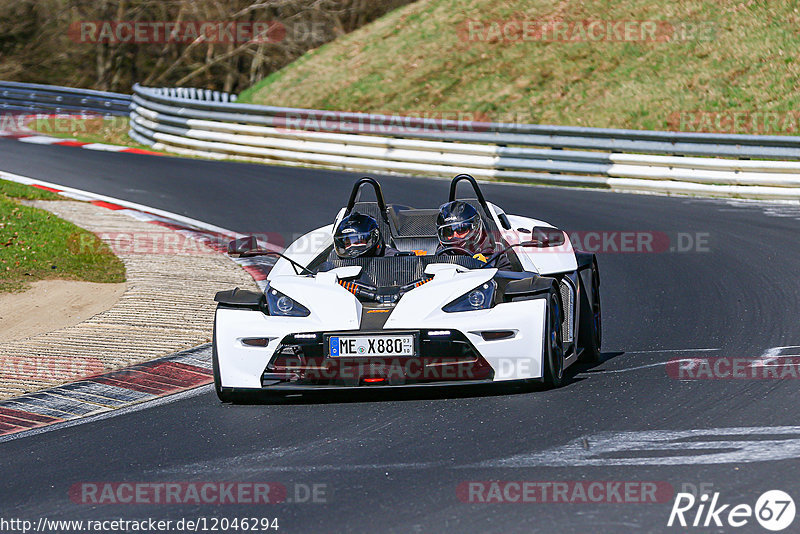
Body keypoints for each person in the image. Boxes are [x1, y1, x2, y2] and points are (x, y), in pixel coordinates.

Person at [436, 201, 512, 269]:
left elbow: (507, 280)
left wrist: (485, 267)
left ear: (475, 228)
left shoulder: (495, 253)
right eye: (448, 232)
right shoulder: (441, 253)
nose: (455, 236)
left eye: (461, 230)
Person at [333, 211, 398, 258]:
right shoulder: (337, 262)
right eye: (348, 244)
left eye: (357, 242)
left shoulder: (393, 259)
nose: (352, 247)